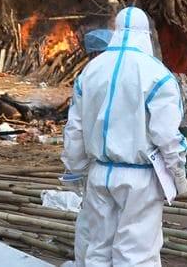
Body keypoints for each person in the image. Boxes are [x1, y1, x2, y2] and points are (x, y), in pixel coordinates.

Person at [63, 7, 187, 266]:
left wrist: (74, 169)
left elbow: (74, 128)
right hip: (140, 179)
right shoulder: (157, 75)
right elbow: (167, 135)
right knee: (136, 254)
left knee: (97, 249)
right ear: (146, 34)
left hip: (99, 174)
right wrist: (178, 175)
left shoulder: (90, 72)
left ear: (116, 31)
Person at [72, 28, 114, 267]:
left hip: (95, 163)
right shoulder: (123, 75)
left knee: (92, 222)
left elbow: (74, 128)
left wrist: (73, 165)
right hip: (120, 165)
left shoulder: (86, 77)